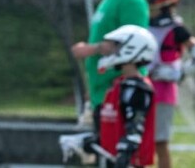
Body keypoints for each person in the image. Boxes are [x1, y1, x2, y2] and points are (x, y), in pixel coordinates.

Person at [71, 0, 150, 137]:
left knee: (124, 156)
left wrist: (91, 49)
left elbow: (133, 45)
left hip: (121, 92)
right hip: (104, 92)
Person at [137, 0, 195, 168]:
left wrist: (178, 73)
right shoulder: (141, 22)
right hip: (140, 88)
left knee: (159, 142)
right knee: (137, 139)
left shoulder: (176, 28)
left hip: (162, 93)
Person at [61, 24, 157, 168]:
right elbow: (114, 126)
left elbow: (135, 127)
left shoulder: (137, 88)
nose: (110, 51)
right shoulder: (119, 85)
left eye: (115, 46)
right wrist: (90, 142)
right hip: (113, 160)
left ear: (132, 48)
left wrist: (125, 153)